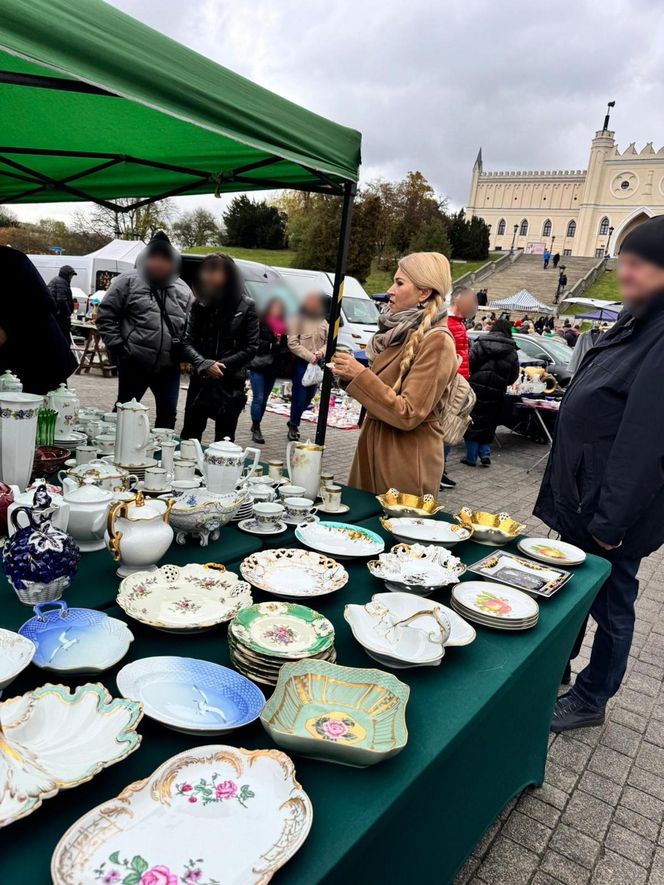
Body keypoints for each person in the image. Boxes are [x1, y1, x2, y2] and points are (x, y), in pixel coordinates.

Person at [534, 214, 664, 732]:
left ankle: (592, 697)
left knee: (612, 604)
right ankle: (558, 667)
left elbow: (645, 443)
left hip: (613, 514)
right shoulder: (636, 322)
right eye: (624, 262)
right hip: (585, 499)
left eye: (637, 265)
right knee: (574, 589)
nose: (625, 273)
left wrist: (611, 523)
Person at [331, 252, 457, 496]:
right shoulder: (399, 332)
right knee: (362, 527)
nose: (390, 290)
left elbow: (409, 413)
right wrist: (349, 374)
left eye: (399, 283)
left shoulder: (437, 341)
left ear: (424, 293)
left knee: (391, 531)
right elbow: (383, 390)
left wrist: (360, 376)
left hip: (404, 458)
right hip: (373, 445)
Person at [97, 231, 192, 429]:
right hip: (134, 361)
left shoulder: (183, 289)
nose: (158, 263)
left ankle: (161, 456)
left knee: (168, 415)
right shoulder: (127, 281)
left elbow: (192, 325)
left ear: (172, 262)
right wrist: (119, 346)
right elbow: (106, 315)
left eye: (164, 258)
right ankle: (115, 450)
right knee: (124, 411)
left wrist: (184, 351)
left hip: (168, 366)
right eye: (154, 257)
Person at [180, 253, 258, 442]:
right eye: (206, 270)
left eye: (214, 270)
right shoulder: (199, 304)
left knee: (224, 439)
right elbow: (187, 341)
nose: (207, 275)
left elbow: (251, 347)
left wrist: (220, 365)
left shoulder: (247, 306)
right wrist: (204, 364)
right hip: (201, 380)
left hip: (230, 382)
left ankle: (218, 472)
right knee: (190, 435)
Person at [0, 246, 77, 394]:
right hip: (12, 365)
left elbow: (43, 303)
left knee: (43, 411)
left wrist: (6, 329)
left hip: (39, 359)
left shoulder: (11, 259)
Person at [461, 319, 519, 467]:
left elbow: (469, 363)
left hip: (476, 387)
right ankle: (485, 454)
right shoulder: (512, 351)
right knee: (490, 421)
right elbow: (513, 376)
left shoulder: (480, 343)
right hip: (497, 390)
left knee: (473, 421)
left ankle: (471, 457)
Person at [440, 285, 478, 489]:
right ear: (459, 301)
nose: (474, 305)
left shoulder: (458, 324)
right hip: (451, 386)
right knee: (445, 429)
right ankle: (437, 471)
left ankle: (440, 470)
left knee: (450, 428)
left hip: (459, 385)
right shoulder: (447, 324)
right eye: (471, 300)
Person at [286, 291, 329, 441]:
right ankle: (293, 425)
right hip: (302, 363)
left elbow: (329, 342)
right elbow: (292, 343)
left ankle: (294, 418)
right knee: (299, 396)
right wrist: (310, 356)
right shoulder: (296, 319)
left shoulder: (323, 321)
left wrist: (321, 354)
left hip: (317, 363)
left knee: (309, 397)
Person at [248, 297, 288, 444]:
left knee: (264, 399)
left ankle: (255, 424)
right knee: (258, 397)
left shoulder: (283, 326)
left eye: (280, 308)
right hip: (258, 365)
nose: (277, 310)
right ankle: (257, 427)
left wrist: (282, 350)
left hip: (273, 367)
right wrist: (272, 346)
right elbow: (254, 343)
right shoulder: (260, 322)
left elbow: (285, 347)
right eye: (275, 307)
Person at [47, 264, 76, 339]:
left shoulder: (58, 280)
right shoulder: (62, 282)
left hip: (55, 315)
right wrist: (68, 314)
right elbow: (62, 300)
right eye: (71, 275)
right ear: (67, 275)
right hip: (60, 317)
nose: (72, 278)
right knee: (64, 338)